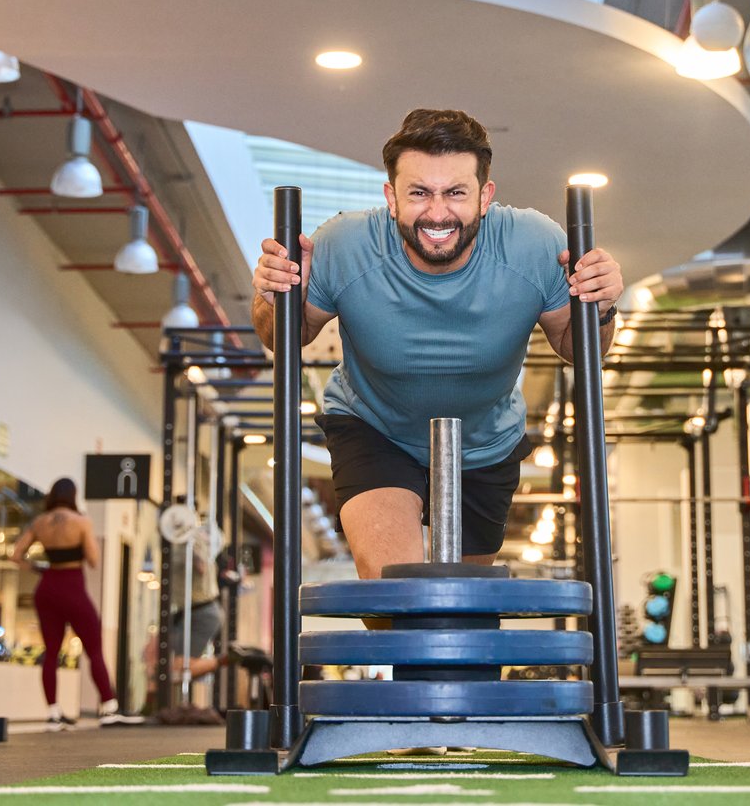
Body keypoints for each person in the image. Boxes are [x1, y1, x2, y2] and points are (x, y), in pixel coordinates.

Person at [251, 108, 621, 579]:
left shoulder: (534, 245)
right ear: (391, 197)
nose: (438, 212)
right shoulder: (343, 245)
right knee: (393, 593)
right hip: (374, 428)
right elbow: (283, 337)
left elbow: (577, 347)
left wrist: (601, 305)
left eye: (456, 193)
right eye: (419, 193)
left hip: (485, 441)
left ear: (485, 196)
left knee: (461, 606)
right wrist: (272, 296)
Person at [11, 478, 144, 728]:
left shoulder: (40, 522)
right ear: (73, 495)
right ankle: (109, 707)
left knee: (50, 652)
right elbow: (94, 559)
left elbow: (15, 555)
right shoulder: (81, 522)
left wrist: (39, 567)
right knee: (93, 648)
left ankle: (53, 713)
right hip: (72, 586)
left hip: (47, 587)